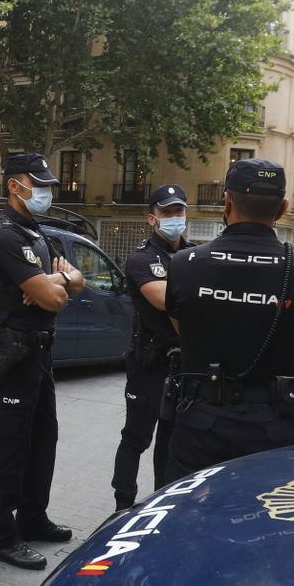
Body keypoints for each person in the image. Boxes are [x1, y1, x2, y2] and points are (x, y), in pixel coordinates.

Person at [161, 159, 294, 482]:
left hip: (200, 422)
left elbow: (183, 329)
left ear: (226, 201)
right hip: (271, 427)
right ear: (282, 208)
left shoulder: (185, 264)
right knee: (263, 520)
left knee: (186, 519)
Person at [0, 153, 83, 570]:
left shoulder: (38, 234)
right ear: (13, 186)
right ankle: (1, 537)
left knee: (43, 439)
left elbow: (76, 283)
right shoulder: (4, 235)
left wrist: (54, 281)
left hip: (41, 352)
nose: (44, 192)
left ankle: (33, 518)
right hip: (15, 352)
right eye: (36, 184)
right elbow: (59, 296)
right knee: (10, 446)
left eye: (47, 186)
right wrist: (55, 283)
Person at [111, 184, 186, 511]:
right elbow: (166, 301)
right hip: (149, 362)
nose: (174, 217)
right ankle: (122, 507)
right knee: (136, 438)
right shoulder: (142, 258)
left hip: (184, 365)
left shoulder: (193, 255)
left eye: (179, 211)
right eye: (167, 212)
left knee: (172, 441)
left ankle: (161, 505)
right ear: (152, 219)